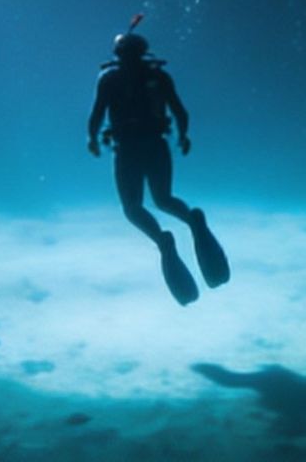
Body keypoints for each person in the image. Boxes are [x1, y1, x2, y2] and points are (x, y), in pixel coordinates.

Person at [87, 27, 228, 303]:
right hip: (156, 146)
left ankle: (162, 240)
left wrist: (92, 139)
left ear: (118, 53)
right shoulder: (157, 76)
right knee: (163, 199)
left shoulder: (109, 78)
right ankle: (193, 221)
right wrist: (183, 136)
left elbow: (97, 114)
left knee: (132, 207)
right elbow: (179, 111)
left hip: (127, 149)